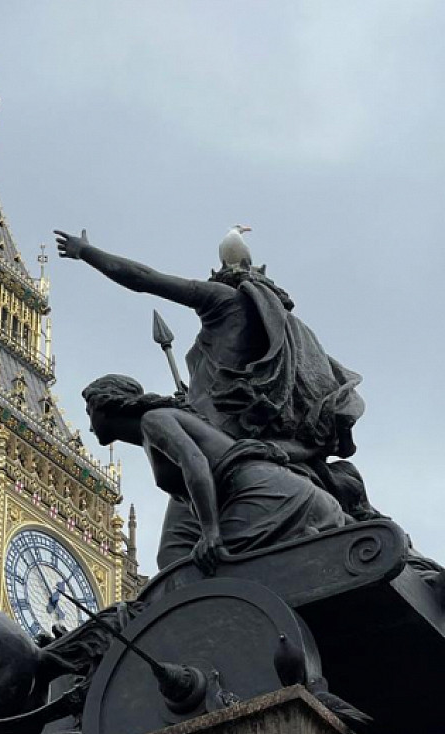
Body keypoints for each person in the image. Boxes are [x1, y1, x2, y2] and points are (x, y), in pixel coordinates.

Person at [56, 229, 364, 460]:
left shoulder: (221, 300)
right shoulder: (288, 328)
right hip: (259, 434)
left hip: (217, 432)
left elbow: (143, 278)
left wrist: (86, 251)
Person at [82, 374, 347, 577]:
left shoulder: (154, 421)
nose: (90, 426)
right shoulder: (155, 426)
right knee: (181, 570)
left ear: (102, 404)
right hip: (271, 492)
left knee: (202, 574)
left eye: (88, 411)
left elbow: (195, 463)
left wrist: (210, 532)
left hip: (266, 495)